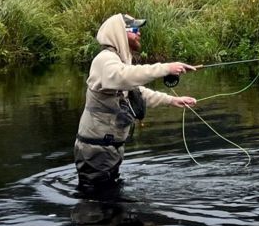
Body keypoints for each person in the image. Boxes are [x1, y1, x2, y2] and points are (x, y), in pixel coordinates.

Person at [73, 13, 199, 192]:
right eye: (134, 29)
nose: (139, 33)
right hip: (96, 151)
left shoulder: (118, 61)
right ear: (119, 33)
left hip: (108, 148)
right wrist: (165, 68)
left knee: (110, 200)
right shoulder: (105, 60)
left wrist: (173, 100)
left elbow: (137, 92)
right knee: (97, 203)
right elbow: (124, 77)